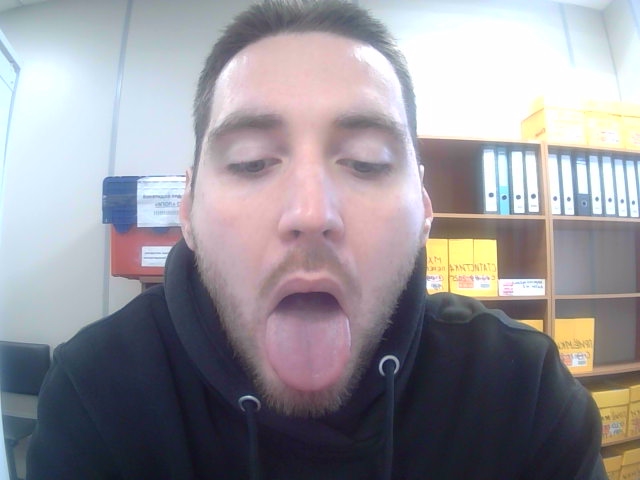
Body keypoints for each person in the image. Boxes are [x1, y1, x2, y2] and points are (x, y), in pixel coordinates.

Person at [27, 1, 606, 479]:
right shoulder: (96, 393)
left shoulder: (521, 390)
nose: (310, 212)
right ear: (188, 212)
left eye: (366, 162)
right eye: (252, 162)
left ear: (425, 210)